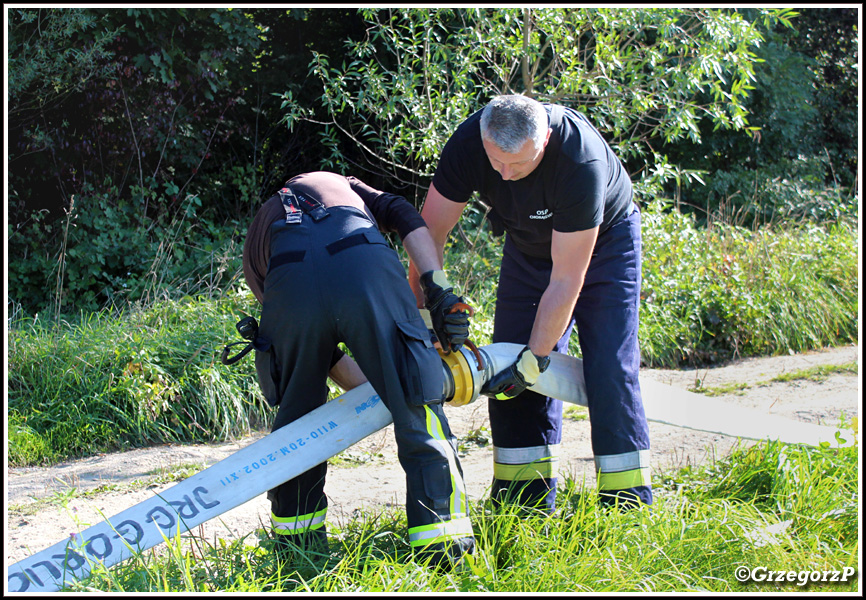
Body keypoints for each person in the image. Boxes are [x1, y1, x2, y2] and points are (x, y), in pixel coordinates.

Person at [408, 95, 652, 513]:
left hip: (604, 247)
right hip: (527, 247)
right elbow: (426, 238)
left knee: (608, 365)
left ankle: (626, 504)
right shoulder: (469, 142)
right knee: (510, 371)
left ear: (546, 140)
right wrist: (428, 317)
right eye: (496, 162)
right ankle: (525, 504)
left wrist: (536, 358)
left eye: (517, 165)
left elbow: (566, 279)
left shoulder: (580, 160)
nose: (504, 175)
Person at [242, 171, 475, 567]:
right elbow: (402, 212)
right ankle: (445, 554)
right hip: (360, 254)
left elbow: (323, 355)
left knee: (298, 422)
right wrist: (438, 289)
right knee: (420, 407)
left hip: (287, 277)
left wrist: (378, 383)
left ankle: (299, 557)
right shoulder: (343, 184)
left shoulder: (258, 241)